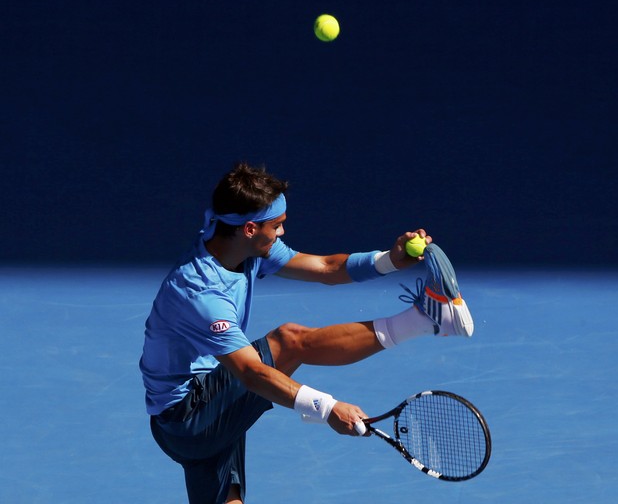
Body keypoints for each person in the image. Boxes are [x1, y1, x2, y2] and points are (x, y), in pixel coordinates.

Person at [139, 162, 474, 504]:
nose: (282, 232)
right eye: (278, 225)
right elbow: (252, 373)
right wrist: (327, 408)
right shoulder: (202, 293)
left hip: (200, 405)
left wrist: (390, 260)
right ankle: (425, 320)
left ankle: (427, 319)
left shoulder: (239, 247)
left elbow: (326, 268)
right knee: (289, 341)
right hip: (189, 417)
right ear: (251, 229)